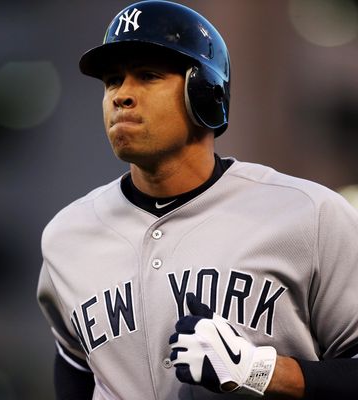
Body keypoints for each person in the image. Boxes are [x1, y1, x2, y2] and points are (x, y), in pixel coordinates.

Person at [37, 1, 358, 399]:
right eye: (113, 81)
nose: (122, 95)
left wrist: (259, 371)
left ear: (203, 92)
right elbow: (74, 370)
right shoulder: (66, 237)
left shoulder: (310, 214)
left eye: (148, 75)